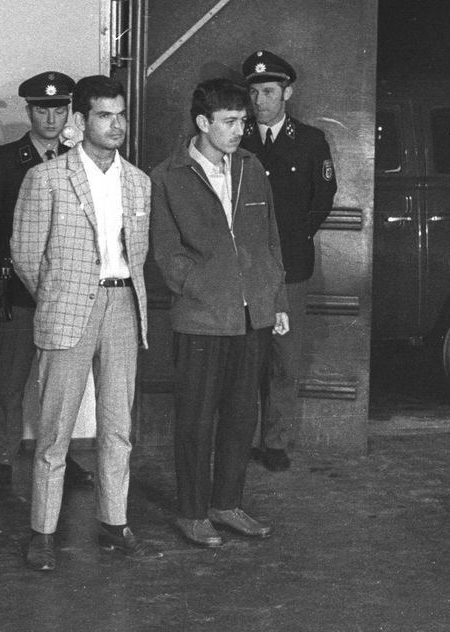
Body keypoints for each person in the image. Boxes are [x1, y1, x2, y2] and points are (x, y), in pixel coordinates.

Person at [11, 74, 161, 571]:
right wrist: (58, 297)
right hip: (68, 310)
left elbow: (137, 254)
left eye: (121, 115)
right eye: (104, 115)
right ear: (80, 120)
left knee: (118, 427)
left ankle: (114, 524)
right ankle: (44, 534)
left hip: (123, 306)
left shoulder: (139, 181)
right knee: (55, 433)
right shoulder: (47, 178)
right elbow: (26, 253)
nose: (115, 125)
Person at [150, 77, 289, 548]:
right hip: (202, 317)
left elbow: (269, 238)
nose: (239, 131)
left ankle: (226, 504)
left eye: (243, 122)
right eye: (229, 122)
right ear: (203, 122)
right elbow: (166, 253)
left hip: (252, 315)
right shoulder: (166, 177)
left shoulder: (252, 167)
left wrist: (276, 299)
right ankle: (192, 512)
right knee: (195, 418)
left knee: (239, 416)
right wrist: (200, 288)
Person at [0, 71, 94, 493]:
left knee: (60, 382)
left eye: (60, 109)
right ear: (30, 111)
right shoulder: (4, 161)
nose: (53, 118)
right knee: (12, 379)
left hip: (65, 290)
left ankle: (58, 454)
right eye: (43, 109)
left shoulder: (80, 160)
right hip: (20, 290)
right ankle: (3, 459)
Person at [240, 50, 337, 472]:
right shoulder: (236, 138)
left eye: (268, 91)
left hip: (291, 266)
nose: (259, 100)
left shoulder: (311, 140)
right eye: (254, 92)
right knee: (246, 358)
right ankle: (241, 439)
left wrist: (296, 237)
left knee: (284, 358)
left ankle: (275, 441)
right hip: (244, 265)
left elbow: (324, 197)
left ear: (287, 93)